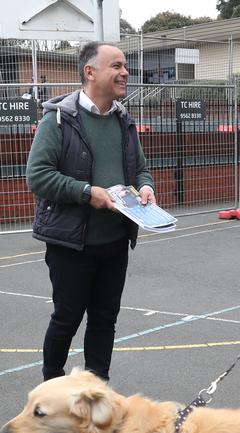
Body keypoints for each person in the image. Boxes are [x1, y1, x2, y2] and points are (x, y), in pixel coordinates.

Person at [26, 41, 155, 382]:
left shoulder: (123, 120)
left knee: (104, 319)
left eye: (125, 65)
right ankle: (51, 387)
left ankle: (97, 391)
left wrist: (146, 187)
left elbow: (140, 169)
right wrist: (86, 193)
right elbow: (37, 176)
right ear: (90, 72)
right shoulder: (57, 120)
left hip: (115, 241)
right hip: (72, 244)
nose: (125, 72)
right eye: (116, 65)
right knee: (67, 318)